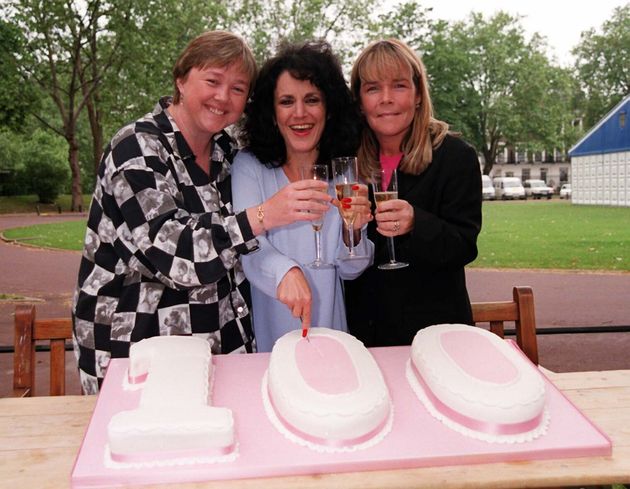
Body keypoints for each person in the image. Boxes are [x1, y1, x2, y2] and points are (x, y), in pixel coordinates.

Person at [72, 31, 332, 394]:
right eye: (213, 81)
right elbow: (173, 254)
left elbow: (243, 246)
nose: (223, 97)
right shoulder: (136, 149)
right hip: (138, 357)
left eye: (238, 88)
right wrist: (263, 216)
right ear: (181, 79)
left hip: (220, 353)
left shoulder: (228, 152)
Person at [232, 40, 374, 352]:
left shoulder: (344, 169)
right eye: (286, 101)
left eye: (312, 100)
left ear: (329, 108)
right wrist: (286, 271)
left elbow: (352, 269)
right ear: (271, 112)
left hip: (334, 336)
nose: (300, 113)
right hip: (273, 336)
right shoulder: (249, 166)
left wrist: (354, 230)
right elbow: (249, 247)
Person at [344, 38, 482, 347]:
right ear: (359, 101)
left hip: (437, 336)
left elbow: (464, 246)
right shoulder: (346, 162)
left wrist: (416, 223)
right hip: (365, 335)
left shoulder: (455, 156)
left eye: (399, 86)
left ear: (418, 95)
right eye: (373, 88)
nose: (386, 99)